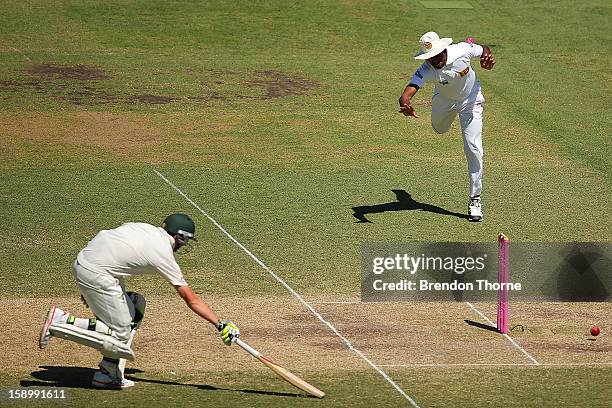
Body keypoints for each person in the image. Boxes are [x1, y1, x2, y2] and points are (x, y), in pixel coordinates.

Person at [39, 213, 239, 389]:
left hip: (89, 262)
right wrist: (220, 324)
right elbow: (190, 299)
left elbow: (106, 238)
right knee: (121, 330)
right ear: (178, 237)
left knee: (136, 306)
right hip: (97, 273)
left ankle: (109, 370)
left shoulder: (144, 228)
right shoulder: (163, 254)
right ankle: (61, 322)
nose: (183, 246)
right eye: (185, 241)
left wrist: (88, 283)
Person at [398, 31, 496, 222]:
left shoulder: (462, 50)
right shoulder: (426, 68)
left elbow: (483, 49)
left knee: (473, 148)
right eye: (430, 57)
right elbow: (408, 91)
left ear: (443, 49)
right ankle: (442, 119)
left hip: (471, 100)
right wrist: (405, 102)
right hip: (444, 102)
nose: (435, 60)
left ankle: (475, 199)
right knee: (439, 128)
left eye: (437, 55)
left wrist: (487, 58)